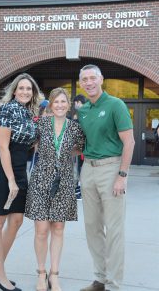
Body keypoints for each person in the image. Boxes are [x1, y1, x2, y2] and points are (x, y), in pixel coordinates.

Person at [78, 64, 135, 291]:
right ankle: (100, 278)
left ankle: (113, 284)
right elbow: (82, 144)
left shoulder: (115, 105)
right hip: (88, 170)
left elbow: (129, 142)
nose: (89, 83)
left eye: (93, 78)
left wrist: (122, 175)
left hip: (111, 169)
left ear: (101, 79)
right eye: (85, 79)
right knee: (92, 227)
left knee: (114, 229)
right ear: (81, 83)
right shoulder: (83, 111)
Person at [25, 88, 85, 291]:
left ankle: (54, 274)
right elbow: (29, 143)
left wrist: (65, 154)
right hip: (41, 179)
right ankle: (41, 273)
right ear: (50, 105)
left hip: (65, 180)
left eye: (63, 101)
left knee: (58, 228)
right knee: (41, 230)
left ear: (69, 105)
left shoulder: (75, 128)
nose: (60, 105)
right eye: (56, 102)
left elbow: (81, 148)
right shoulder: (41, 124)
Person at [0, 73, 41, 291]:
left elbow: (32, 144)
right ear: (15, 90)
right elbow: (2, 147)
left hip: (20, 170)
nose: (25, 92)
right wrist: (11, 179)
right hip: (3, 170)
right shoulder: (8, 108)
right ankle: (0, 276)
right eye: (22, 88)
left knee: (17, 220)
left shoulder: (29, 113)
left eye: (29, 89)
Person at [72, 94, 87, 199]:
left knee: (82, 168)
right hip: (80, 146)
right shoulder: (81, 113)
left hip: (83, 146)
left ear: (78, 102)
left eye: (75, 103)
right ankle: (78, 188)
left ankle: (81, 191)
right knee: (79, 168)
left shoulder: (84, 113)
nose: (74, 105)